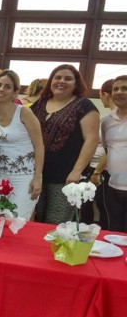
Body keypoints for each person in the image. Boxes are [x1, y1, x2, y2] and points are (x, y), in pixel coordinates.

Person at [31, 64, 99, 224]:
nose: (62, 81)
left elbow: (92, 140)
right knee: (37, 219)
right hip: (38, 174)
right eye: (58, 77)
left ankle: (54, 250)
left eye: (68, 78)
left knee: (57, 221)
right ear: (51, 81)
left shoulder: (85, 106)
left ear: (76, 83)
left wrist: (77, 171)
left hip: (66, 177)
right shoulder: (40, 103)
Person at [0, 70, 44, 220]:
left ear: (15, 92)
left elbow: (39, 146)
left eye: (7, 87)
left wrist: (37, 177)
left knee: (17, 220)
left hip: (24, 177)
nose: (1, 89)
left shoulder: (24, 113)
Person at [96, 76, 127, 232]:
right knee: (113, 230)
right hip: (113, 186)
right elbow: (108, 149)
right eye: (116, 89)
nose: (119, 92)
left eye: (125, 88)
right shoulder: (106, 121)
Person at [87, 79, 115, 227]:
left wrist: (97, 171)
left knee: (105, 207)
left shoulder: (110, 119)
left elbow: (110, 149)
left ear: (104, 94)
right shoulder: (107, 118)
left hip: (104, 170)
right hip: (95, 167)